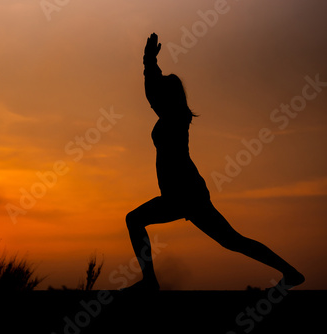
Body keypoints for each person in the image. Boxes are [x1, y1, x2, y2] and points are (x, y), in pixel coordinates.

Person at [125, 33, 305, 291]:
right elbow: (153, 93)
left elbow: (152, 93)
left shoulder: (176, 115)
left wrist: (149, 61)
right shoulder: (171, 115)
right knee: (232, 241)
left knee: (135, 220)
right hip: (185, 192)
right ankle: (290, 273)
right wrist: (149, 61)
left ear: (169, 95)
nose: (157, 92)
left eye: (163, 87)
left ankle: (150, 282)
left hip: (183, 192)